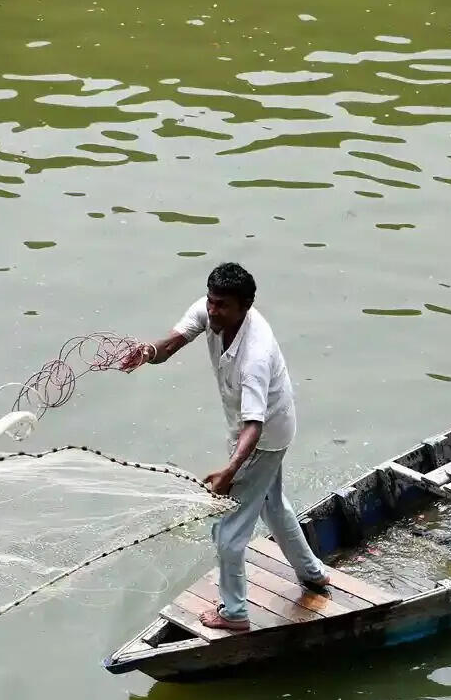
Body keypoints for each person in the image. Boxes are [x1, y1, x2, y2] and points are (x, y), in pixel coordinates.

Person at [118, 262, 331, 632]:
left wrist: (230, 471)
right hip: (255, 431)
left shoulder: (255, 356)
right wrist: (148, 353)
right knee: (273, 505)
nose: (213, 311)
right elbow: (172, 343)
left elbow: (255, 424)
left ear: (245, 306)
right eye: (211, 302)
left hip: (263, 439)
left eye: (222, 306)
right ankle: (313, 574)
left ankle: (234, 614)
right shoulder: (209, 312)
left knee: (228, 532)